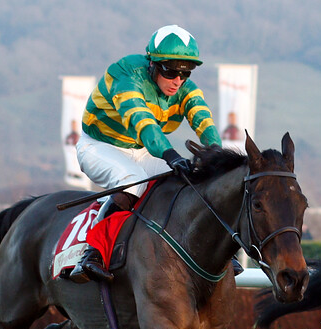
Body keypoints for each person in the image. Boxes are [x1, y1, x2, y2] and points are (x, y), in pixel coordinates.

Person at [68, 24, 223, 284]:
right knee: (131, 180)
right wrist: (171, 155)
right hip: (99, 146)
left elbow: (204, 121)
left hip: (139, 151)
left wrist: (218, 156)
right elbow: (143, 124)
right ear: (152, 64)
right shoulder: (126, 74)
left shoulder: (185, 88)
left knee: (186, 184)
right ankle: (91, 254)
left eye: (185, 72)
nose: (177, 80)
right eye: (171, 70)